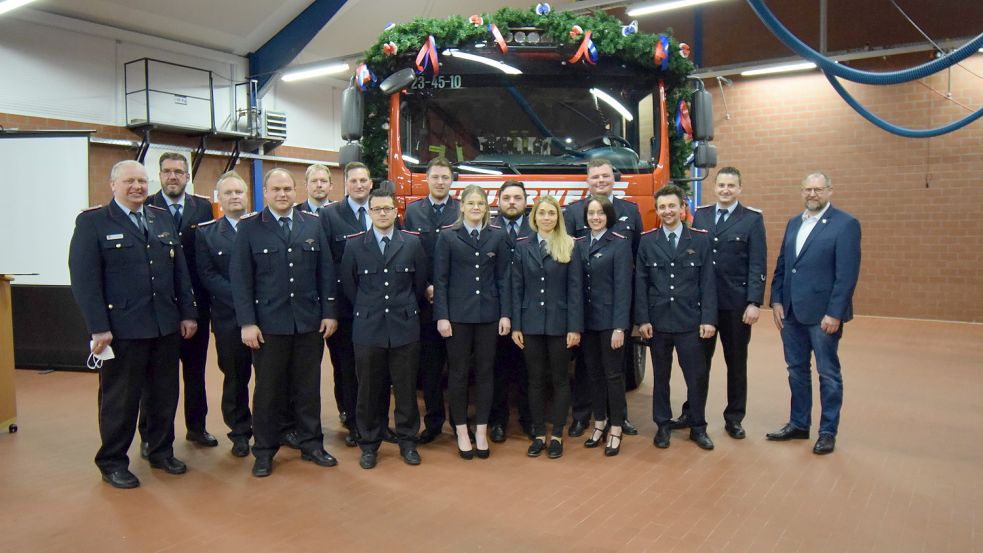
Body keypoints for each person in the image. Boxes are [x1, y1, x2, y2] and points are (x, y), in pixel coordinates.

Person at [69, 160, 198, 489]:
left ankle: (160, 450)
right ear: (113, 184)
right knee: (120, 399)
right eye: (129, 181)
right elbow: (85, 281)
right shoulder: (93, 222)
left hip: (164, 325)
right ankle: (112, 460)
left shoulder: (160, 217)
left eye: (142, 181)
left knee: (164, 395)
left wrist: (187, 313)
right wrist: (98, 327)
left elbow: (179, 272)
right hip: (123, 328)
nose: (137, 187)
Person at [230, 168, 339, 477]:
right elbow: (241, 280)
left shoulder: (313, 225)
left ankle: (311, 443)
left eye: (287, 189)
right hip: (268, 326)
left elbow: (326, 272)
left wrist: (329, 312)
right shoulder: (250, 228)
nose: (282, 194)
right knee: (268, 391)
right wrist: (247, 323)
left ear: (296, 191)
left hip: (308, 323)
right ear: (265, 192)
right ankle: (264, 450)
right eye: (276, 189)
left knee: (308, 388)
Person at [768, 172, 861, 455]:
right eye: (807, 189)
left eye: (818, 190)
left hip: (823, 317)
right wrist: (776, 300)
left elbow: (846, 275)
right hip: (791, 313)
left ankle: (827, 431)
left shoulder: (845, 225)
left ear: (830, 191)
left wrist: (835, 313)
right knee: (796, 370)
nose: (812, 194)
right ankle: (799, 424)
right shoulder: (794, 223)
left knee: (828, 374)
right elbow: (784, 264)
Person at [673, 167, 766, 439]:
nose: (726, 190)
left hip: (735, 305)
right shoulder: (700, 215)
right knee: (697, 363)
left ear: (740, 188)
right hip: (702, 306)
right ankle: (692, 412)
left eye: (731, 186)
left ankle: (734, 417)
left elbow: (757, 262)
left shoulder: (751, 220)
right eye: (722, 185)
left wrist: (754, 302)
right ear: (715, 187)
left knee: (736, 363)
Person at [340, 188, 428, 469]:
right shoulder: (354, 245)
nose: (382, 214)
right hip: (368, 327)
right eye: (376, 209)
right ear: (370, 212)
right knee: (368, 390)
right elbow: (350, 286)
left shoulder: (412, 243)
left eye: (387, 209)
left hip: (404, 326)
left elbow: (418, 284)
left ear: (395, 212)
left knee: (405, 389)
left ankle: (407, 441)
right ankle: (369, 444)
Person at [140, 152, 216, 455]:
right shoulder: (147, 206)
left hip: (197, 304)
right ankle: (152, 435)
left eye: (179, 172)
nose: (173, 177)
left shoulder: (204, 207)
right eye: (168, 172)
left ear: (188, 177)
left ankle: (197, 428)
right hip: (160, 307)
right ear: (159, 175)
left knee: (196, 372)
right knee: (157, 378)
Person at [564, 158, 643, 438]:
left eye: (605, 176)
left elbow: (636, 260)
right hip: (584, 309)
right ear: (587, 180)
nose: (600, 181)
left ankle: (618, 418)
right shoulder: (573, 212)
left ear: (614, 178)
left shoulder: (630, 211)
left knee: (615, 367)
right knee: (586, 367)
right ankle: (583, 416)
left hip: (614, 306)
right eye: (595, 176)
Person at [635, 184, 717, 451]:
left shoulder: (701, 239)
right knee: (661, 377)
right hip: (658, 323)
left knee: (696, 375)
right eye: (662, 207)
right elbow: (641, 283)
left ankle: (698, 426)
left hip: (690, 321)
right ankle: (662, 424)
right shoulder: (647, 241)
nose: (667, 211)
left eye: (672, 206)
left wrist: (708, 319)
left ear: (683, 208)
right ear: (657, 211)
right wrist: (643, 319)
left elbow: (708, 283)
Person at [433, 185, 512, 459]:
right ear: (462, 207)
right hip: (457, 317)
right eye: (472, 203)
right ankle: (461, 429)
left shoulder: (497, 236)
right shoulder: (448, 236)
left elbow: (503, 278)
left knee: (486, 373)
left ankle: (481, 429)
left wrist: (505, 313)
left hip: (489, 316)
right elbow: (440, 280)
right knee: (458, 374)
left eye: (481, 203)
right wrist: (442, 316)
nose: (477, 207)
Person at [512, 195, 584, 459]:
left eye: (551, 213)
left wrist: (575, 328)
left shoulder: (569, 245)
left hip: (560, 324)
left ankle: (556, 436)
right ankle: (539, 433)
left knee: (560, 380)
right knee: (535, 380)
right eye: (542, 213)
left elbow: (575, 291)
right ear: (535, 217)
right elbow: (516, 288)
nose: (546, 217)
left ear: (558, 218)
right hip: (530, 324)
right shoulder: (522, 247)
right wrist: (516, 325)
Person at [401, 157, 460, 444]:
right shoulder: (413, 212)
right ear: (427, 179)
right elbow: (409, 254)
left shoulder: (463, 210)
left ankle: (461, 422)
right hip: (424, 303)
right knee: (431, 367)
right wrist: (425, 286)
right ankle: (434, 422)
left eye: (444, 177)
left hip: (458, 303)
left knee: (460, 367)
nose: (439, 182)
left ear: (452, 180)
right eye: (435, 177)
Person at [195, 171, 254, 457]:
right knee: (235, 377)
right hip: (229, 319)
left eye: (238, 192)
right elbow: (208, 276)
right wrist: (244, 300)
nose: (234, 197)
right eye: (228, 193)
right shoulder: (206, 233)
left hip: (266, 317)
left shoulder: (262, 227)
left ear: (247, 195)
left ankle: (277, 427)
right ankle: (240, 432)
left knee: (272, 378)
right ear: (219, 198)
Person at [319, 161, 373, 447]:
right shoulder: (330, 215)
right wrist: (330, 309)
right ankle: (352, 421)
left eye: (364, 180)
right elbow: (326, 265)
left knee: (374, 367)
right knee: (347, 367)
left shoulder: (381, 211)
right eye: (354, 181)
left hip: (376, 307)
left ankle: (373, 421)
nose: (360, 185)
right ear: (346, 185)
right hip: (345, 307)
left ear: (371, 183)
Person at [578, 196, 632, 456]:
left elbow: (623, 288)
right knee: (594, 375)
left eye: (600, 213)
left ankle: (616, 427)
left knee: (613, 376)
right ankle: (599, 423)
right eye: (591, 213)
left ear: (608, 215)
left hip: (611, 323)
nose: (595, 217)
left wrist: (620, 327)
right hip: (587, 323)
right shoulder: (579, 244)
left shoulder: (619, 244)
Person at [489, 180, 534, 443]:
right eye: (507, 198)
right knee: (498, 370)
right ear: (499, 201)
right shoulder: (488, 227)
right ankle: (498, 421)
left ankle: (529, 419)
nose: (512, 202)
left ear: (525, 202)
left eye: (518, 198)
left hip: (528, 311)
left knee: (529, 370)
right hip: (496, 313)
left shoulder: (537, 227)